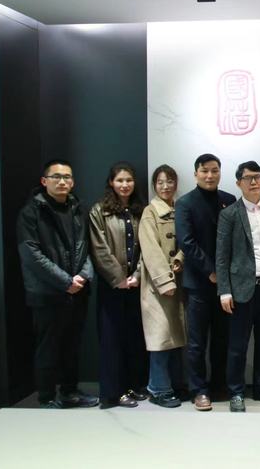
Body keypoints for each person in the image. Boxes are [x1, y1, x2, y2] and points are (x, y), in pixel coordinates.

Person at [16, 159, 98, 409]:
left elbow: (87, 247)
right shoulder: (32, 212)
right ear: (44, 181)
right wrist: (65, 281)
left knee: (72, 346)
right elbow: (31, 255)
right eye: (56, 177)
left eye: (67, 177)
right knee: (48, 347)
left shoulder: (77, 208)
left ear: (72, 182)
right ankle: (47, 397)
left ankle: (70, 391)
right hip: (47, 292)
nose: (62, 181)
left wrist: (83, 276)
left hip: (77, 291)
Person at [216, 161, 260, 412]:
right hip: (240, 290)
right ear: (238, 183)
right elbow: (222, 256)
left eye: (258, 177)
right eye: (248, 178)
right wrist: (224, 290)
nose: (254, 182)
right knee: (238, 346)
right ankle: (236, 392)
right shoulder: (229, 214)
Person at [175, 153, 236, 411]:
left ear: (220, 172)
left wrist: (224, 275)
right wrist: (211, 271)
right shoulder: (185, 203)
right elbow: (186, 243)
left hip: (225, 285)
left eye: (214, 170)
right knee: (197, 342)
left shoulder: (229, 200)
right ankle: (199, 390)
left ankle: (219, 384)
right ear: (196, 174)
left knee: (223, 339)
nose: (209, 175)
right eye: (204, 171)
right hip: (198, 284)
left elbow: (235, 241)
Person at [89, 161, 148, 409]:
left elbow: (147, 247)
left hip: (135, 285)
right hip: (112, 286)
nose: (125, 185)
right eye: (120, 180)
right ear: (111, 183)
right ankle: (114, 393)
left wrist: (137, 275)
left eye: (129, 180)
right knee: (112, 340)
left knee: (133, 339)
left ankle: (133, 386)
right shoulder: (99, 211)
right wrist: (119, 278)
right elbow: (99, 248)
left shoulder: (139, 211)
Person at [139, 164, 186, 408]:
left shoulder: (181, 209)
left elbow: (188, 240)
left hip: (180, 283)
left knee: (176, 338)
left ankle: (176, 385)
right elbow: (150, 250)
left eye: (169, 181)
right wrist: (164, 280)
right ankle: (158, 388)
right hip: (158, 286)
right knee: (160, 339)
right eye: (160, 182)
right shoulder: (150, 212)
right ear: (154, 186)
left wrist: (180, 258)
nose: (165, 186)